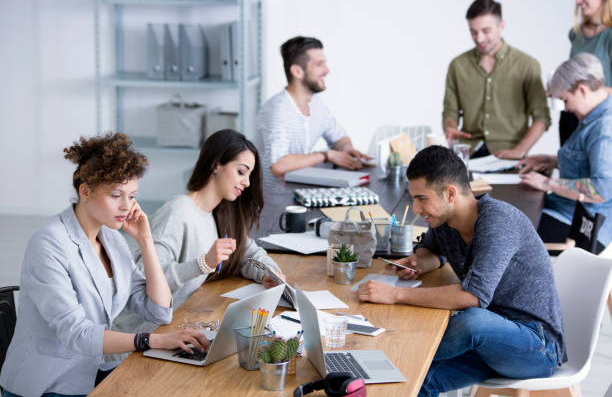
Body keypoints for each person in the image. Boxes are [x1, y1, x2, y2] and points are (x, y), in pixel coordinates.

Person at [0, 133, 209, 397]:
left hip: (91, 371)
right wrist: (151, 341)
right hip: (49, 386)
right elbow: (77, 334)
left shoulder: (111, 238)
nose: (126, 206)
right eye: (115, 195)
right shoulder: (48, 244)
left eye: (132, 196)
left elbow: (159, 312)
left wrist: (145, 241)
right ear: (85, 191)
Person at [357, 146, 566, 397]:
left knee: (469, 321)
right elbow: (431, 249)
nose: (415, 208)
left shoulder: (498, 222)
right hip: (484, 344)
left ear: (450, 193)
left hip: (536, 347)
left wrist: (394, 295)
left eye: (421, 198)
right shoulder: (446, 221)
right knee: (413, 379)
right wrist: (420, 262)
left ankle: (395, 350)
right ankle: (393, 357)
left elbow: (473, 297)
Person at [112, 129, 284, 339]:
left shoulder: (220, 214)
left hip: (176, 329)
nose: (247, 183)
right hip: (138, 339)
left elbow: (249, 253)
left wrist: (270, 274)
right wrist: (203, 263)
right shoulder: (178, 211)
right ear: (215, 165)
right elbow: (145, 279)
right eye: (241, 172)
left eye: (249, 175)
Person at [520, 53, 612, 251]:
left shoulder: (604, 129)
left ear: (582, 90)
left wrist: (547, 183)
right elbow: (588, 159)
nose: (566, 108)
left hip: (585, 225)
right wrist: (552, 161)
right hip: (568, 210)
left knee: (510, 230)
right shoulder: (595, 113)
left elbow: (601, 189)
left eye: (565, 99)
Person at [442, 0, 551, 159]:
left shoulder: (527, 65)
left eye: (486, 31)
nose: (479, 38)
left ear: (501, 26)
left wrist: (520, 150)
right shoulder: (457, 65)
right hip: (469, 155)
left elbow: (542, 117)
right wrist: (449, 127)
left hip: (509, 155)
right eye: (473, 32)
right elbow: (450, 112)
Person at [256, 36, 370, 182]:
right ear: (297, 72)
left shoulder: (316, 104)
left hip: (298, 189)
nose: (327, 70)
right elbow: (278, 165)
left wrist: (345, 149)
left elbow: (340, 138)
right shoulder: (277, 110)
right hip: (273, 200)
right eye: (319, 64)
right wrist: (326, 155)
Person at [560, 0, 612, 145]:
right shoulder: (576, 34)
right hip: (571, 119)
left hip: (598, 122)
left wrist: (589, 92)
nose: (578, 1)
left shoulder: (609, 36)